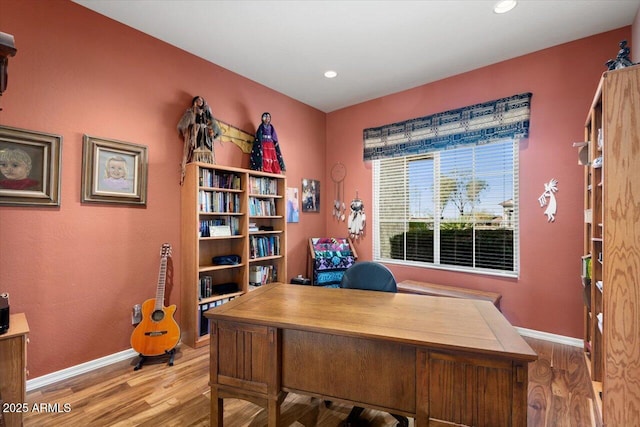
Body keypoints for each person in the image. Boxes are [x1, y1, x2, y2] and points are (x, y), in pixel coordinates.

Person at [177, 96, 222, 184]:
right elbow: (182, 126)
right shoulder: (191, 113)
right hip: (196, 135)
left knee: (208, 154)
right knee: (196, 152)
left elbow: (215, 128)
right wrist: (190, 130)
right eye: (198, 100)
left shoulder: (207, 113)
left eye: (201, 100)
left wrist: (213, 132)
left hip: (206, 136)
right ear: (194, 102)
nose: (199, 101)